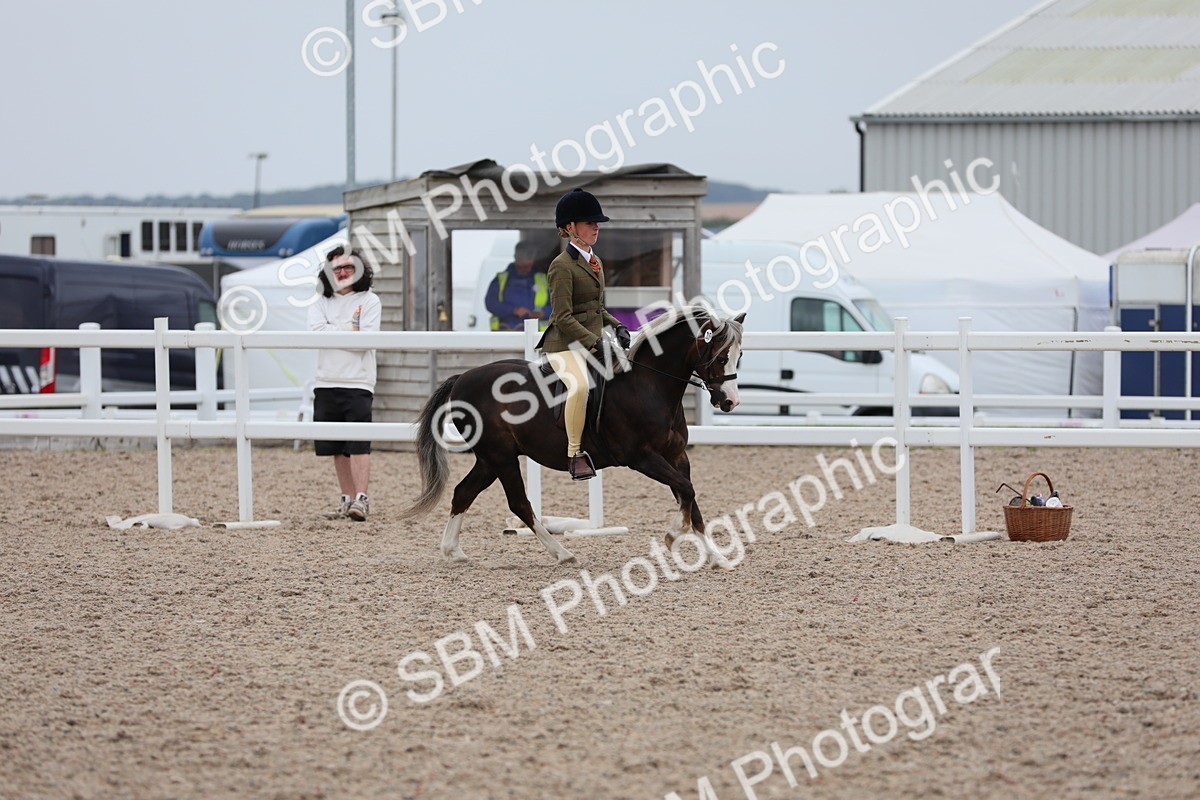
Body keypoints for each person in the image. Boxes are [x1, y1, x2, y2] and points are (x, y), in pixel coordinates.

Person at [537, 188, 631, 481]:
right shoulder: (561, 266)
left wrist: (617, 326)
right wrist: (594, 341)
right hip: (563, 345)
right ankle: (575, 453)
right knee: (579, 387)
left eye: (597, 222)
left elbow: (596, 307)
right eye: (589, 222)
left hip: (590, 341)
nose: (596, 227)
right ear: (569, 228)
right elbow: (562, 317)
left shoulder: (595, 261)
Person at [307, 246, 382, 521]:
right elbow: (316, 334)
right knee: (335, 446)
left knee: (358, 444)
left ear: (360, 270)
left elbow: (364, 341)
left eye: (348, 267)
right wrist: (348, 332)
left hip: (358, 381)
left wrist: (334, 331)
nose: (341, 273)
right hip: (325, 379)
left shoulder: (370, 300)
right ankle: (347, 498)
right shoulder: (319, 301)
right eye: (336, 268)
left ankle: (362, 499)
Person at [484, 240, 550, 331]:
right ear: (515, 258)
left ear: (533, 260)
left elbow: (558, 306)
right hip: (505, 332)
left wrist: (544, 312)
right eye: (520, 265)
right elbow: (490, 303)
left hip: (535, 336)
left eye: (526, 266)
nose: (523, 268)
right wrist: (513, 310)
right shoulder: (501, 279)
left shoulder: (544, 280)